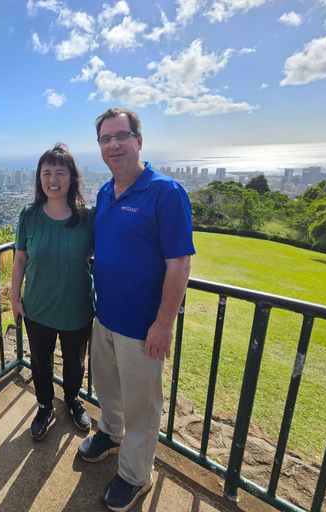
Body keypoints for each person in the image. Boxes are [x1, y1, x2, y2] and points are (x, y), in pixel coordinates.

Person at [78, 108, 194, 511]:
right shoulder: (105, 193)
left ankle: (135, 475)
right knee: (108, 389)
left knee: (142, 406)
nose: (113, 145)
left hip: (143, 326)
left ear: (138, 141)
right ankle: (110, 434)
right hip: (106, 316)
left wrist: (163, 324)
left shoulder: (166, 192)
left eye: (121, 136)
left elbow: (180, 263)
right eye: (105, 139)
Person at [11, 142, 95, 441]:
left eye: (60, 172)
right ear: (39, 178)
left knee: (75, 362)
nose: (53, 179)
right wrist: (15, 299)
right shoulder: (29, 215)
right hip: (37, 306)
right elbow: (20, 260)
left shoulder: (88, 217)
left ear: (72, 178)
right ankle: (45, 405)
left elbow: (102, 254)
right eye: (46, 173)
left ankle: (72, 399)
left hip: (77, 306)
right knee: (40, 362)